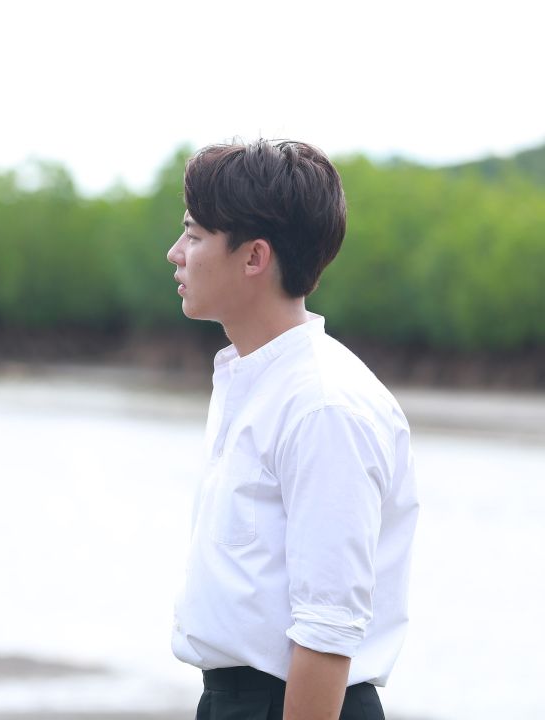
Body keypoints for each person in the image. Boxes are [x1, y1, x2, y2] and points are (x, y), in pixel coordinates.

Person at [165, 139, 419, 720]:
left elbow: (327, 631)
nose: (175, 253)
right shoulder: (255, 381)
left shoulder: (323, 406)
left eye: (194, 236)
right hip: (238, 701)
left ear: (254, 257)